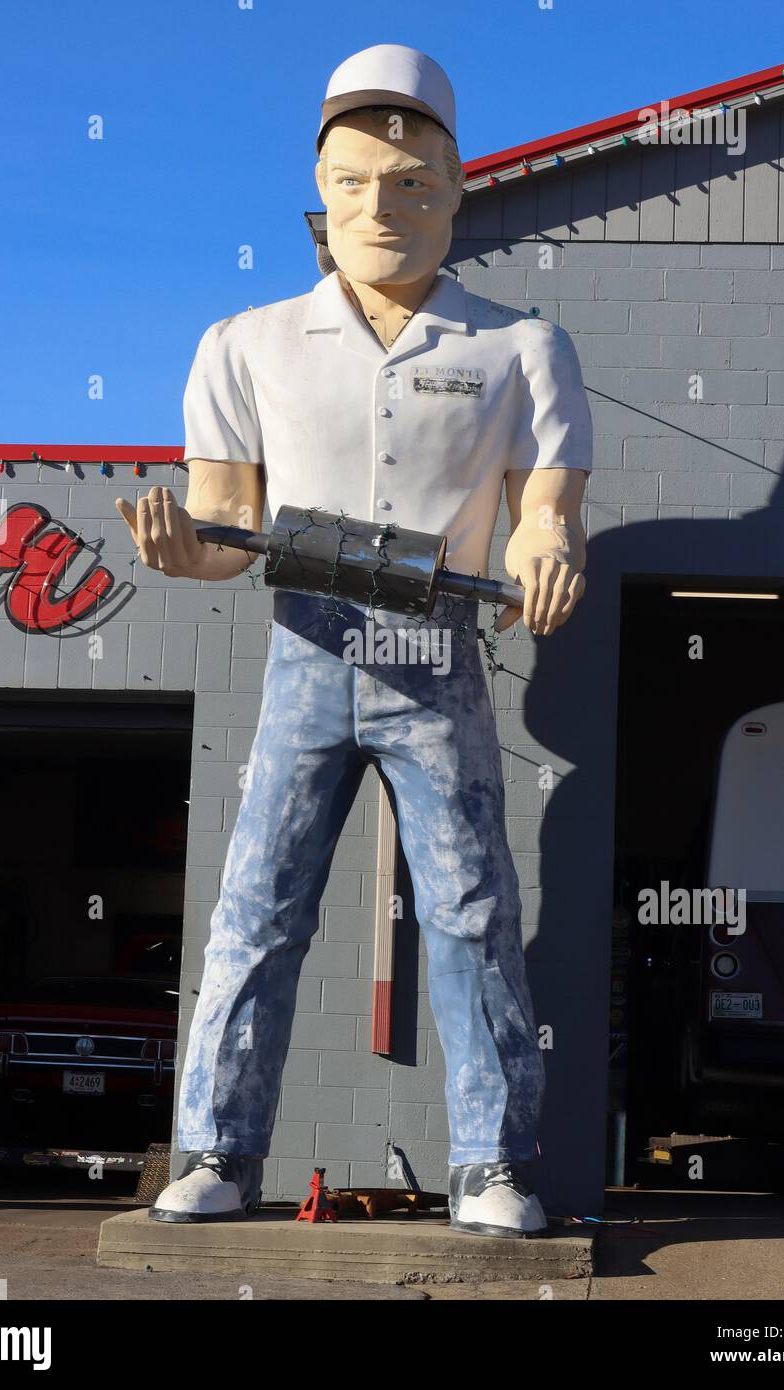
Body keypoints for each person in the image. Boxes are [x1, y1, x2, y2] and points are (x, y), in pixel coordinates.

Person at [117, 43, 592, 1238]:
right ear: (316, 199)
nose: (383, 207)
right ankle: (217, 1148)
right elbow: (225, 530)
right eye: (355, 184)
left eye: (414, 182)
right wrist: (187, 551)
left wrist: (546, 543)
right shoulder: (244, 343)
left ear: (458, 189)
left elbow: (547, 508)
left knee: (473, 906)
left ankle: (490, 1163)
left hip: (441, 651)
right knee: (256, 903)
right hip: (307, 648)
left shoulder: (521, 347)